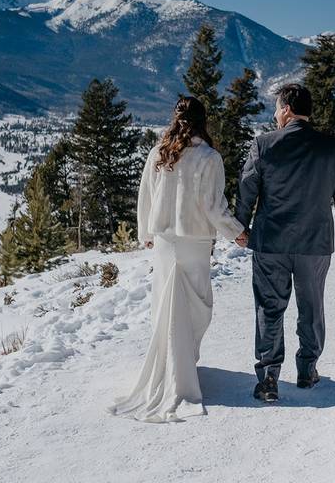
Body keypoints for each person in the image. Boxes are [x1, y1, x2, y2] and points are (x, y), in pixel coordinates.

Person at [109, 96, 245, 423]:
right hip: (195, 241)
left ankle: (172, 366)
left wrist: (146, 232)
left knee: (165, 307)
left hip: (165, 242)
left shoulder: (159, 153)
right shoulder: (209, 158)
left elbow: (145, 195)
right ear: (203, 120)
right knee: (198, 308)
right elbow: (214, 207)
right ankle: (182, 368)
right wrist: (236, 231)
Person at [235, 83, 335, 403]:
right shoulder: (333, 147)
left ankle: (269, 377)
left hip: (270, 242)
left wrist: (240, 227)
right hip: (314, 243)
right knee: (312, 307)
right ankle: (307, 370)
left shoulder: (263, 145)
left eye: (276, 108)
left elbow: (247, 189)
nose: (275, 114)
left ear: (287, 109)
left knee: (269, 308)